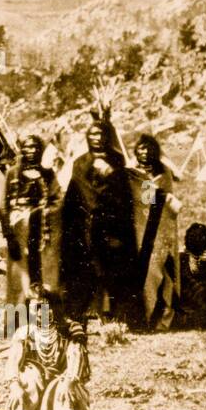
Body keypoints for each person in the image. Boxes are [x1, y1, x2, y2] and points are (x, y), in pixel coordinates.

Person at [60, 118, 139, 326]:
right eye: (92, 134)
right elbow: (76, 191)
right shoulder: (80, 162)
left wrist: (110, 174)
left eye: (100, 134)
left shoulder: (117, 161)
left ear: (107, 137)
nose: (96, 138)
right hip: (85, 223)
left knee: (110, 269)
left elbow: (125, 194)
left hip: (111, 224)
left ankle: (110, 313)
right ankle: (86, 311)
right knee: (86, 268)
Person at [5, 282, 90, 410]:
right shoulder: (25, 332)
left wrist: (70, 381)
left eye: (46, 307)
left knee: (62, 388)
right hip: (35, 388)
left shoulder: (70, 330)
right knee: (28, 378)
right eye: (34, 308)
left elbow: (76, 358)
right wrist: (14, 384)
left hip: (63, 381)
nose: (40, 313)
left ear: (55, 307)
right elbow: (14, 360)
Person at [0, 134, 61, 306]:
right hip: (18, 231)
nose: (31, 151)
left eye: (34, 147)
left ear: (40, 150)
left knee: (40, 276)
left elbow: (57, 200)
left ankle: (41, 320)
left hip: (41, 231)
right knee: (19, 276)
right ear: (22, 150)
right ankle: (18, 321)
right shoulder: (13, 173)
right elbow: (3, 206)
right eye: (27, 147)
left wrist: (43, 214)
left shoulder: (47, 175)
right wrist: (9, 235)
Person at [132, 134, 179, 329]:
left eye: (148, 148)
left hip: (161, 230)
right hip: (139, 230)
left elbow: (162, 199)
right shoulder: (131, 174)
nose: (144, 152)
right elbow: (140, 199)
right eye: (141, 148)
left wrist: (160, 194)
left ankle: (162, 319)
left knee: (162, 272)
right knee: (144, 274)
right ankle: (144, 318)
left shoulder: (164, 172)